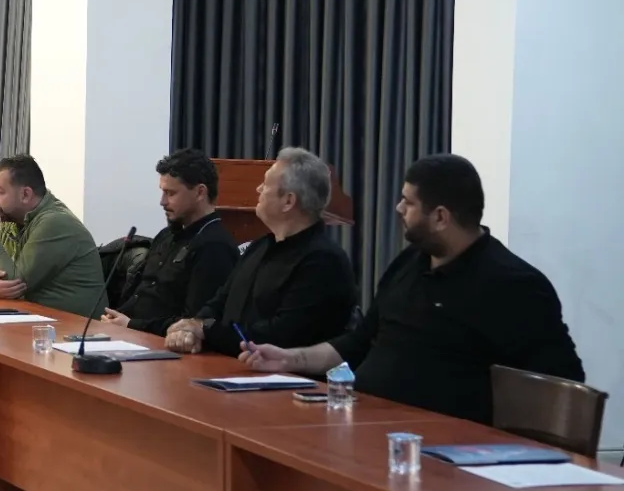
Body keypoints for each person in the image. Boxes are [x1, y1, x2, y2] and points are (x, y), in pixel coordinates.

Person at [240, 154, 583, 423]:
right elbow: (358, 343)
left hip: (445, 450)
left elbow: (561, 388)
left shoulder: (514, 287)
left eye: (409, 202)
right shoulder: (409, 262)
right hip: (368, 424)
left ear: (441, 217)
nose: (399, 208)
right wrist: (289, 358)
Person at [164, 147, 357, 356]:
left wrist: (205, 330)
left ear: (288, 201)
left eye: (265, 185)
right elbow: (219, 302)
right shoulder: (259, 246)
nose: (258, 189)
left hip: (281, 373)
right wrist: (192, 326)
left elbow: (281, 336)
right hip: (229, 363)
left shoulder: (323, 261)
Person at [99, 150, 239, 335]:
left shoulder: (215, 247)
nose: (162, 202)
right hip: (130, 335)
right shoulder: (166, 235)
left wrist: (131, 324)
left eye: (170, 193)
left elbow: (195, 323)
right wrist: (116, 319)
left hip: (163, 344)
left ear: (200, 192)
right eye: (162, 192)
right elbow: (140, 294)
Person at [0, 155, 107, 318]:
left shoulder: (55, 222)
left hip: (75, 327)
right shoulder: (10, 219)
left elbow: (13, 284)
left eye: (0, 191)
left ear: (25, 194)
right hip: (39, 320)